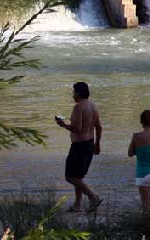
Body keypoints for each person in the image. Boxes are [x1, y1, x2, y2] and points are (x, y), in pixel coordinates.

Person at [55, 81, 102, 213]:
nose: (72, 95)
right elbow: (99, 127)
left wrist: (62, 124)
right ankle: (77, 205)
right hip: (89, 144)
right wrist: (98, 144)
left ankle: (93, 196)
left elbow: (77, 129)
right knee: (78, 176)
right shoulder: (93, 106)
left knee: (70, 177)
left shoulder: (78, 107)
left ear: (79, 93)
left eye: (74, 92)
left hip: (79, 146)